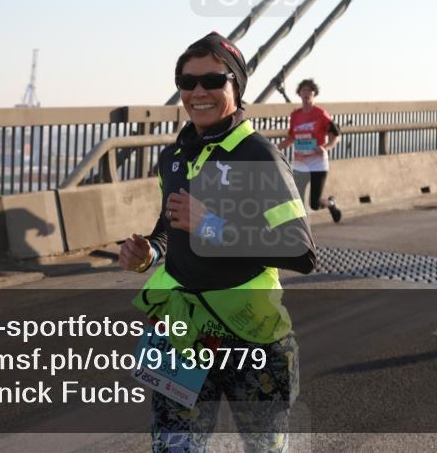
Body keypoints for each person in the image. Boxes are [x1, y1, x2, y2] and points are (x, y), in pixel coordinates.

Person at [119, 32, 316, 453]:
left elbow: (300, 250)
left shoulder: (258, 155)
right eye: (187, 82)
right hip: (182, 332)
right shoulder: (174, 156)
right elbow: (170, 229)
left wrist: (211, 226)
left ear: (236, 87)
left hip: (251, 334)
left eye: (213, 80)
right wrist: (148, 252)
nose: (198, 92)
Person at [276, 79, 343, 223]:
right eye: (303, 90)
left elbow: (336, 136)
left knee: (314, 203)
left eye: (310, 91)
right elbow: (291, 138)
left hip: (318, 163)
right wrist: (273, 149)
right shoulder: (295, 115)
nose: (306, 93)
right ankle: (300, 229)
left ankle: (331, 203)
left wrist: (325, 148)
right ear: (299, 93)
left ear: (314, 94)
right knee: (296, 198)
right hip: (300, 163)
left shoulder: (321, 114)